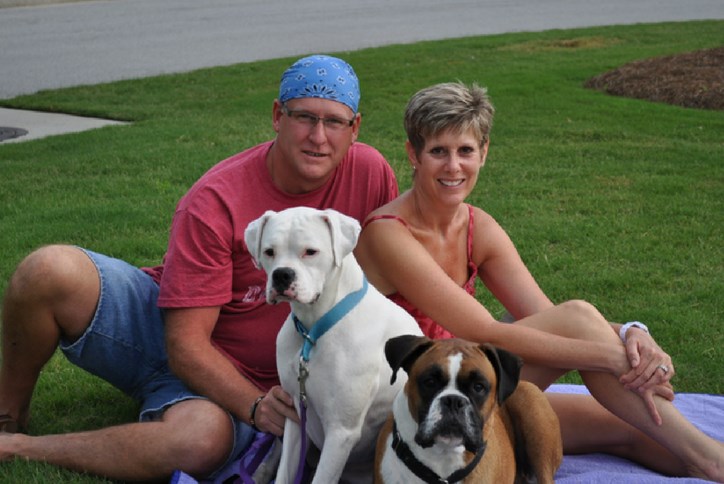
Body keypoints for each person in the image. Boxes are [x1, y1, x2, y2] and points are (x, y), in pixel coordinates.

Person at [0, 54, 399, 481]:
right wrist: (253, 405)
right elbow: (186, 345)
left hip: (261, 373)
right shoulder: (216, 199)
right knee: (47, 270)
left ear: (354, 128)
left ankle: (21, 450)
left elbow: (390, 281)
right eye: (303, 117)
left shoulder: (370, 173)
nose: (318, 137)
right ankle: (8, 415)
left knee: (196, 441)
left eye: (334, 122)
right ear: (277, 117)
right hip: (170, 328)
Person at [355, 82, 723, 481]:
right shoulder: (387, 233)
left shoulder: (479, 226)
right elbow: (480, 329)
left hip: (473, 392)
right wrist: (608, 356)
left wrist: (632, 336)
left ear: (484, 153)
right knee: (580, 319)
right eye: (438, 151)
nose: (454, 167)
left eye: (466, 151)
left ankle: (707, 463)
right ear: (413, 154)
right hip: (411, 401)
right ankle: (712, 458)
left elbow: (547, 316)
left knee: (635, 431)